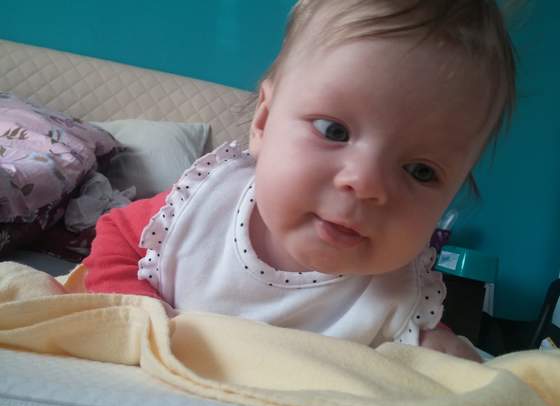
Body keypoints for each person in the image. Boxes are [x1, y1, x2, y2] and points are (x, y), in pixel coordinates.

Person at [84, 0, 516, 362]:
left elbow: (422, 346)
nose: (366, 184)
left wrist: (443, 354)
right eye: (334, 130)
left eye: (421, 171)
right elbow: (115, 237)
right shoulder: (204, 208)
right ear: (263, 121)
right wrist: (142, 314)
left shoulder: (398, 295)